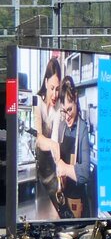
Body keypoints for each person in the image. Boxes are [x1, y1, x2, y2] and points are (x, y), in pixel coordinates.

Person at [55, 76, 92, 219]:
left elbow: (84, 174)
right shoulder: (62, 127)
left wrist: (64, 168)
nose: (67, 116)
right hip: (63, 197)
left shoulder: (82, 128)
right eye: (63, 111)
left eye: (69, 110)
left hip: (78, 203)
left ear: (75, 98)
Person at [34, 56, 64, 207]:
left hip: (51, 174)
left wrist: (59, 167)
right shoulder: (37, 102)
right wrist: (53, 145)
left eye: (58, 89)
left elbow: (54, 138)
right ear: (46, 83)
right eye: (52, 88)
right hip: (37, 173)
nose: (55, 94)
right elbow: (39, 139)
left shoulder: (57, 109)